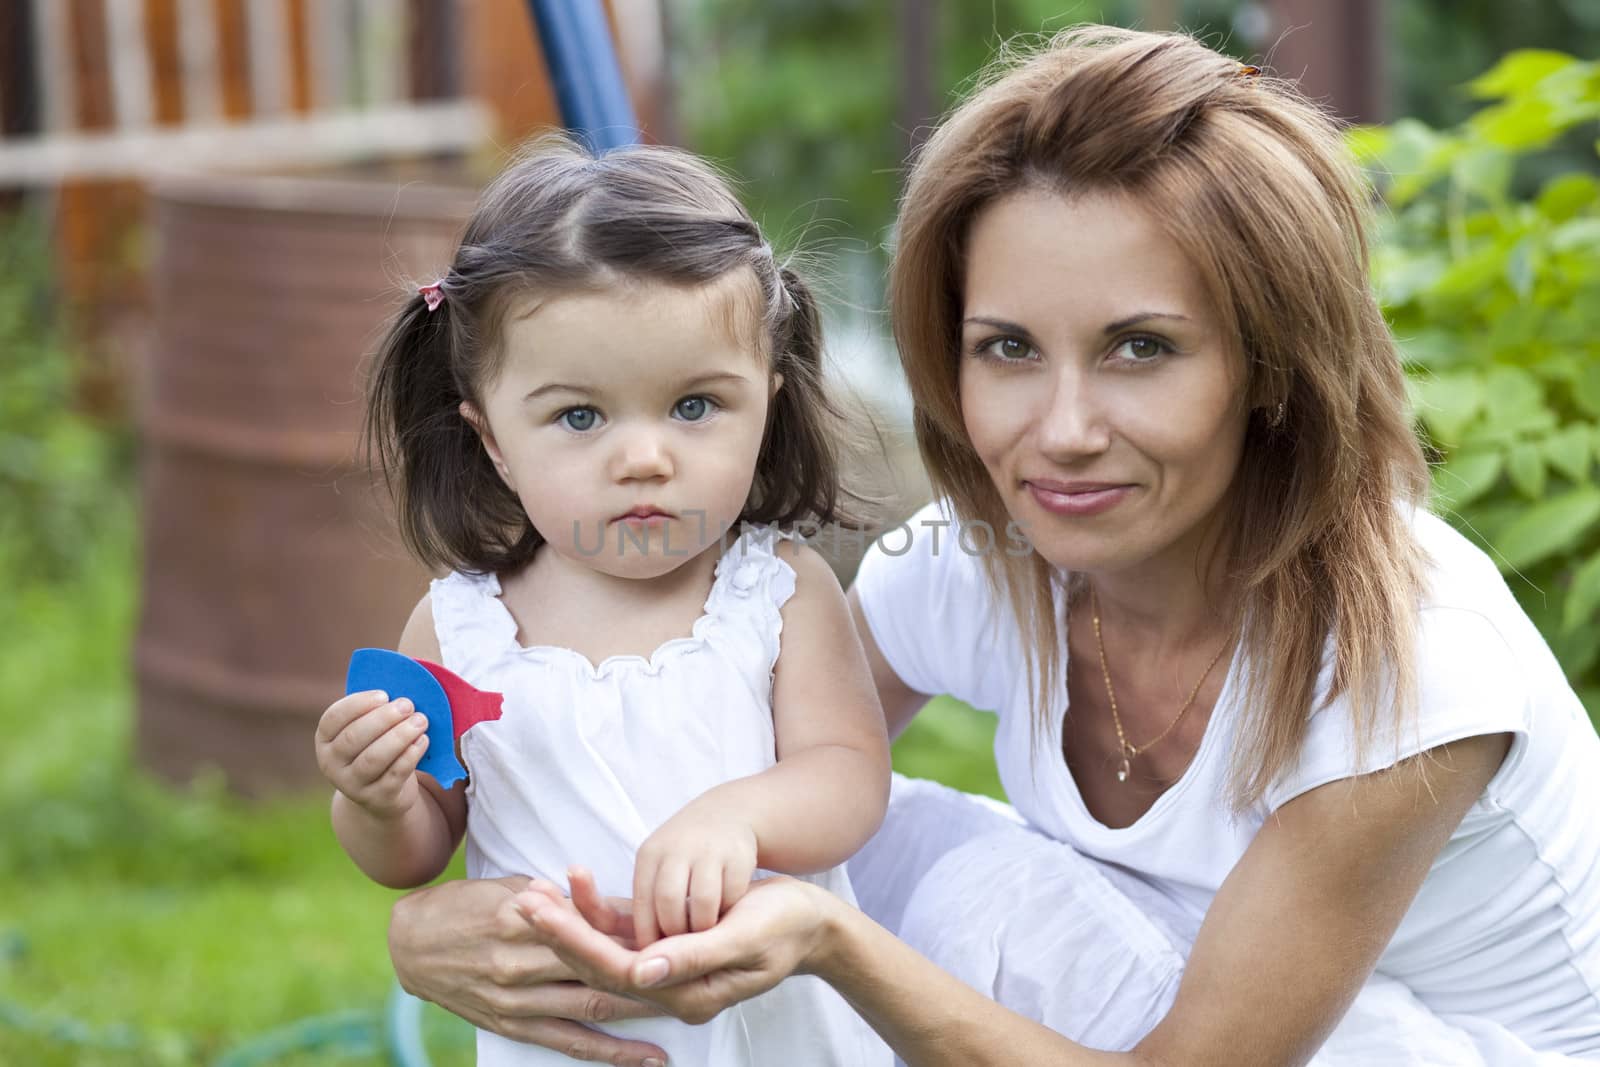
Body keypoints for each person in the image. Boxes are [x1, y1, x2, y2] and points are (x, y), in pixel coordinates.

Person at [385, 26, 1600, 1066]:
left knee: (923, 894)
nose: (1059, 435)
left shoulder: (1407, 669)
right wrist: (448, 923)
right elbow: (704, 746)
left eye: (1142, 347)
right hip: (1146, 985)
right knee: (884, 837)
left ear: (1272, 363)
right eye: (1008, 348)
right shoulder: (983, 556)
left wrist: (836, 942)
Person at [314, 137, 894, 1066]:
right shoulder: (461, 629)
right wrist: (376, 798)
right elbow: (416, 852)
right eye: (580, 416)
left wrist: (737, 816)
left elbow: (851, 775)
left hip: (769, 1023)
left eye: (697, 405)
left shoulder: (774, 593)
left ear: (768, 404)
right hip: (568, 1036)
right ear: (493, 438)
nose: (645, 457)